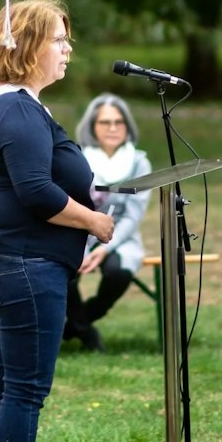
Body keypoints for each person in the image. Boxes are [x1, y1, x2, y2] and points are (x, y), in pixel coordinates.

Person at [0, 0, 113, 442]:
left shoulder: (12, 103)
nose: (67, 48)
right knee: (22, 392)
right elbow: (36, 192)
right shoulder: (15, 107)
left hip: (20, 263)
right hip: (25, 266)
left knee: (6, 386)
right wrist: (94, 222)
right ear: (28, 47)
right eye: (58, 38)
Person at [67, 93, 153, 355]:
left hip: (120, 236)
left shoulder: (139, 162)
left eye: (119, 122)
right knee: (65, 271)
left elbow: (133, 215)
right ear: (92, 126)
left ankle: (77, 324)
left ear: (127, 126)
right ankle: (85, 331)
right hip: (80, 233)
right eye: (105, 122)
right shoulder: (78, 159)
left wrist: (105, 248)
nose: (113, 128)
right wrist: (89, 241)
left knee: (118, 272)